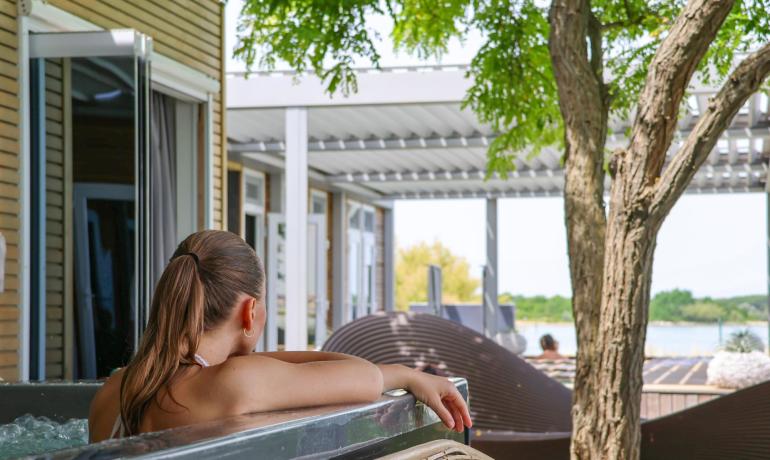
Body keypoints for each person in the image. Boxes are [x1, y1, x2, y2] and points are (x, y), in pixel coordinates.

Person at [88, 230, 471, 442]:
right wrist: (407, 374)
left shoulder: (115, 389)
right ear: (250, 312)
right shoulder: (235, 381)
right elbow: (363, 375)